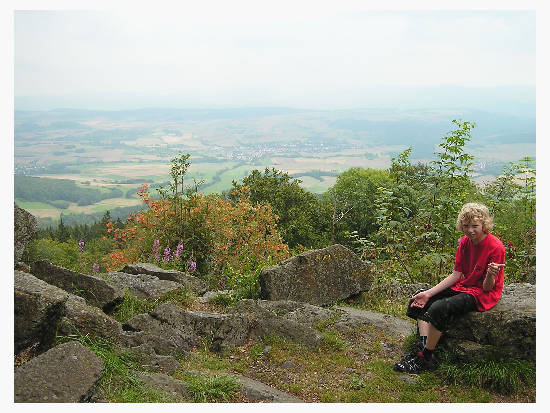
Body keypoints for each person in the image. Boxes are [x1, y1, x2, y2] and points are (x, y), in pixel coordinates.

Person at [394, 202, 506, 373]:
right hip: (465, 286)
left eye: (475, 226)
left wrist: (491, 273)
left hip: (482, 294)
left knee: (439, 308)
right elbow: (456, 275)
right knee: (419, 299)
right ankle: (424, 351)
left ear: (484, 225)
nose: (470, 230)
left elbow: (487, 288)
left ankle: (425, 359)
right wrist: (427, 293)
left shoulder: (496, 247)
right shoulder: (465, 243)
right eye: (466, 226)